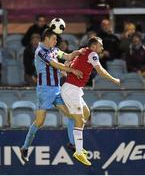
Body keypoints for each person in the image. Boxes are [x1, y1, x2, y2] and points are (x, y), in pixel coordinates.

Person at [20, 28, 84, 163]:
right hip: (45, 91)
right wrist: (72, 70)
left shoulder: (53, 49)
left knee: (72, 115)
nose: (56, 41)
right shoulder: (41, 51)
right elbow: (56, 64)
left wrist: (76, 53)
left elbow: (66, 56)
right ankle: (25, 147)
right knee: (39, 122)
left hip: (56, 89)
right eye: (54, 39)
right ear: (47, 38)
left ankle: (72, 143)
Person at [61, 36, 120, 166]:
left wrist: (70, 70)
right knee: (79, 119)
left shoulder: (82, 52)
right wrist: (114, 80)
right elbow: (100, 70)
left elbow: (65, 67)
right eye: (100, 45)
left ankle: (77, 145)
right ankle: (79, 151)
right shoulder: (92, 54)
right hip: (71, 90)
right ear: (93, 46)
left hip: (74, 89)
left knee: (86, 113)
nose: (102, 47)